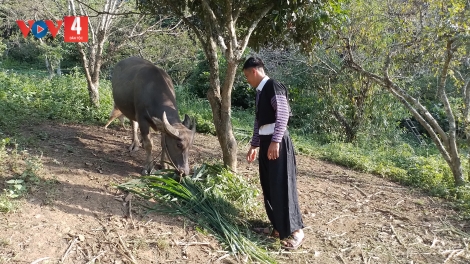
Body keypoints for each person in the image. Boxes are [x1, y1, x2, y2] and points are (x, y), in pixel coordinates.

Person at [243, 57, 304, 250]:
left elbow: (283, 113)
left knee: (283, 185)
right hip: (266, 142)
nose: (247, 80)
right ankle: (277, 227)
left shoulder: (273, 86)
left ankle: (296, 232)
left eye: (246, 76)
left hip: (277, 143)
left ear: (254, 71)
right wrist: (254, 145)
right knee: (269, 185)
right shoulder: (260, 92)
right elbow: (258, 121)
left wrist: (276, 141)